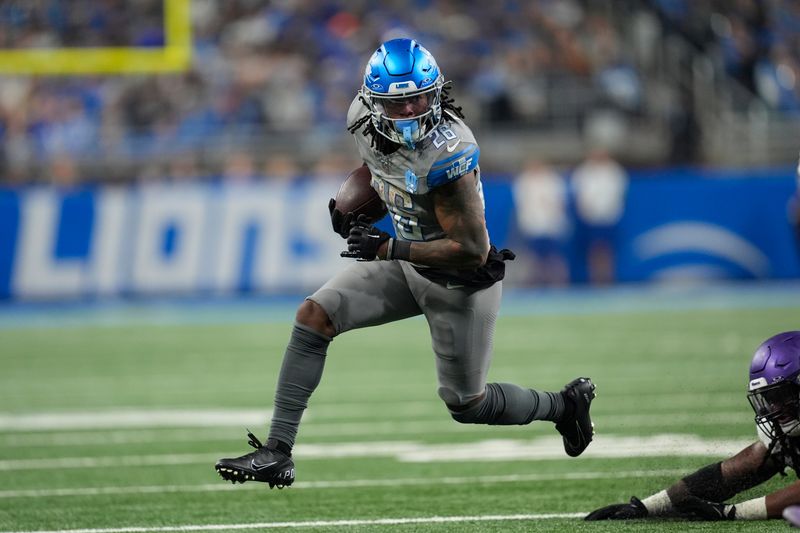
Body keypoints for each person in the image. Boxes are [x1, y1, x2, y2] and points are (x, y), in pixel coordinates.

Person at [214, 38, 596, 489]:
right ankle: (277, 452)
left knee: (467, 405)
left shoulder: (450, 153)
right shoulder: (361, 119)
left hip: (458, 280)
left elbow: (471, 249)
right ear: (374, 104)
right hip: (406, 261)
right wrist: (354, 203)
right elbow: (380, 171)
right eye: (399, 103)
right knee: (314, 315)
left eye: (420, 97)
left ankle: (564, 406)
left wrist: (388, 247)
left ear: (437, 92)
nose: (413, 111)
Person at [586, 331, 800, 524]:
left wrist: (735, 512)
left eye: (781, 396)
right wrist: (648, 507)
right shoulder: (785, 429)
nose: (775, 408)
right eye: (769, 398)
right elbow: (735, 471)